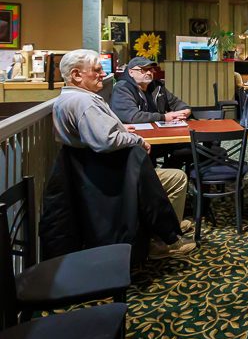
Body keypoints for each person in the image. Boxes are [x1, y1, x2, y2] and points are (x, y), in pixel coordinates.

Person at [52, 49, 195, 259]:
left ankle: (168, 224)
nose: (104, 74)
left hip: (95, 171)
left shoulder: (70, 99)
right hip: (110, 175)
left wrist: (120, 128)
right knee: (177, 178)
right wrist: (136, 139)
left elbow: (101, 132)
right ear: (76, 75)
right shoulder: (85, 102)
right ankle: (162, 241)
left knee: (169, 165)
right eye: (97, 70)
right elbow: (106, 140)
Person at [111, 57, 191, 124]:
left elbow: (175, 103)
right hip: (134, 137)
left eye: (151, 69)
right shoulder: (122, 88)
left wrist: (185, 111)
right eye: (143, 70)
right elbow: (133, 117)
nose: (149, 73)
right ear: (131, 72)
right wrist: (164, 117)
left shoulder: (157, 86)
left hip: (159, 132)